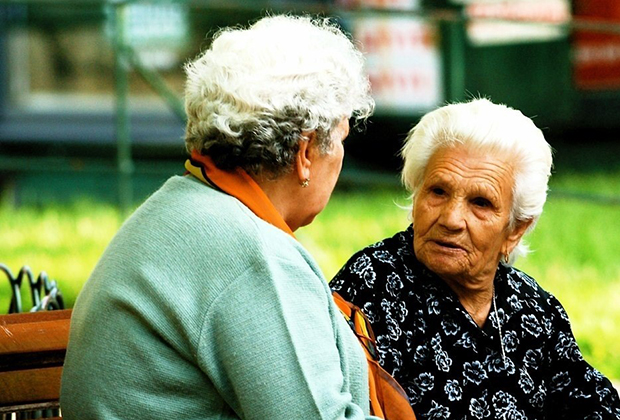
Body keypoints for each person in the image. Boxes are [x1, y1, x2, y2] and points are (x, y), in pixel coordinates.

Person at [60, 15, 384, 419]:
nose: (339, 156)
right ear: (304, 154)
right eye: (340, 138)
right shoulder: (252, 256)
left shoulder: (186, 206)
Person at [331, 98, 620, 420]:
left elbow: (593, 406)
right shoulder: (370, 285)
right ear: (417, 194)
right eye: (438, 192)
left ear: (516, 229)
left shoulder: (533, 310)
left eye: (481, 203)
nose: (452, 219)